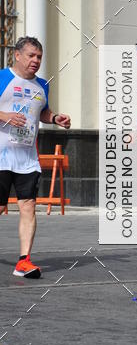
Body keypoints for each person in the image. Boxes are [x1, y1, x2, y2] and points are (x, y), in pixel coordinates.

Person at [0, 37, 71, 278]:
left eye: (39, 57)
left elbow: (42, 111)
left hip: (28, 158)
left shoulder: (42, 85)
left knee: (28, 206)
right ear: (17, 55)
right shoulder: (3, 78)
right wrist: (4, 115)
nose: (36, 61)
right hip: (1, 157)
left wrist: (54, 118)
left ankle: (24, 261)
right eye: (31, 55)